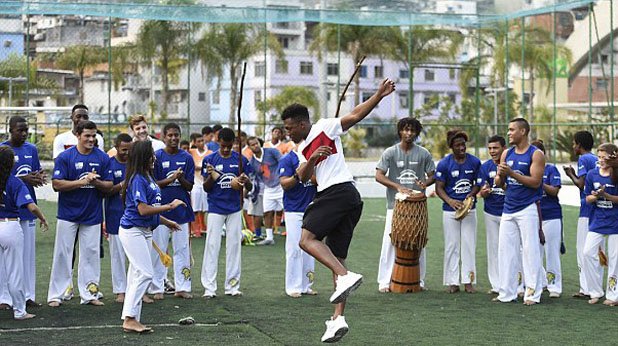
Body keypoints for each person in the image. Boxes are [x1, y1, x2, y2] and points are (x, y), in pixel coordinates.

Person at [281, 78, 395, 343]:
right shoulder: (300, 149)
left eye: (289, 128)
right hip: (346, 198)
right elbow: (308, 177)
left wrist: (378, 94)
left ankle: (345, 277)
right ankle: (337, 319)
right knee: (337, 257)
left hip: (338, 192)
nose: (287, 133)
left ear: (301, 124)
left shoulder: (324, 127)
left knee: (306, 240)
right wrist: (313, 159)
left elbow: (356, 114)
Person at [119, 140, 184, 333]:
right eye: (151, 155)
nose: (154, 158)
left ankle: (131, 318)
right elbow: (143, 209)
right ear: (143, 157)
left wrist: (166, 221)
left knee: (136, 275)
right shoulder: (138, 179)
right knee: (146, 273)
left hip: (144, 231)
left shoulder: (147, 177)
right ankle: (130, 318)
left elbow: (150, 210)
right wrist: (170, 206)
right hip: (133, 230)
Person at [47, 120, 112, 307]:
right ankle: (56, 295)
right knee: (62, 254)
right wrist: (82, 181)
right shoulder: (65, 157)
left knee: (90, 254)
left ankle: (90, 294)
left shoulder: (102, 157)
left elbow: (108, 186)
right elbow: (57, 184)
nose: (91, 139)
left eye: (94, 136)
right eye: (87, 136)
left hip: (92, 215)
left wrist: (95, 182)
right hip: (68, 214)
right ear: (78, 135)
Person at [375, 117, 435, 293]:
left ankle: (419, 280)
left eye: (412, 130)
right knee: (389, 242)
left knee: (418, 243)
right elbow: (379, 175)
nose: (409, 133)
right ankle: (384, 281)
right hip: (395, 207)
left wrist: (426, 182)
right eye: (405, 129)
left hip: (417, 208)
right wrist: (397, 186)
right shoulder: (390, 152)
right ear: (400, 131)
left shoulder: (423, 153)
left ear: (416, 133)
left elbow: (432, 174)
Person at [494, 118, 545, 305]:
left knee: (530, 252)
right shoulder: (506, 153)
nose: (508, 133)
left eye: (512, 129)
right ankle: (506, 293)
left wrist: (512, 173)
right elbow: (500, 182)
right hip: (508, 208)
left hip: (528, 208)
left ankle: (532, 294)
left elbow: (535, 182)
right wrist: (498, 178)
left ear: (523, 132)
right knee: (506, 251)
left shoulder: (536, 154)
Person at [0, 116, 47, 308]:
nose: (24, 133)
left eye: (26, 130)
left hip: (27, 209)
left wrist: (38, 178)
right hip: (7, 210)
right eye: (20, 130)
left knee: (27, 255)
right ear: (10, 130)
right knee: (6, 257)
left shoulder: (32, 149)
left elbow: (36, 173)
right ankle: (4, 297)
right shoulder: (3, 150)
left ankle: (28, 295)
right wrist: (25, 179)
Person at [201, 128, 253, 298]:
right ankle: (209, 288)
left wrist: (245, 182)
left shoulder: (241, 160)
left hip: (235, 209)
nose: (225, 149)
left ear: (234, 144)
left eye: (229, 146)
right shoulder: (210, 160)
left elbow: (250, 187)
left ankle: (232, 286)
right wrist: (210, 175)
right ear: (218, 142)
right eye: (223, 146)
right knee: (212, 246)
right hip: (216, 208)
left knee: (233, 246)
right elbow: (206, 188)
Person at [152, 123, 195, 300]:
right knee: (160, 249)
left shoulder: (187, 158)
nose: (173, 138)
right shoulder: (156, 157)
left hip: (181, 211)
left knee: (182, 250)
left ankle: (182, 287)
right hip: (161, 210)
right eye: (170, 135)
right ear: (163, 137)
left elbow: (190, 185)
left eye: (176, 135)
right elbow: (154, 184)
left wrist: (181, 178)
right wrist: (171, 179)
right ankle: (157, 288)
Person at [435, 129, 481, 294]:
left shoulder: (475, 162)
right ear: (451, 147)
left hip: (469, 210)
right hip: (450, 211)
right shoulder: (444, 164)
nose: (462, 148)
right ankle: (452, 282)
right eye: (458, 145)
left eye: (463, 144)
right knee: (452, 245)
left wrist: (471, 194)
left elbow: (478, 183)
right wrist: (450, 201)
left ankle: (468, 281)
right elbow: (438, 188)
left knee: (469, 245)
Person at [278, 142, 317, 297]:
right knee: (294, 248)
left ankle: (306, 285)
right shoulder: (287, 159)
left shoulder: (314, 159)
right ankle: (293, 286)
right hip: (294, 209)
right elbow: (285, 184)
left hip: (312, 207)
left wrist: (308, 172)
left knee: (311, 247)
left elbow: (318, 180)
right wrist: (297, 175)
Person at [563, 131, 599, 298]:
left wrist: (570, 174)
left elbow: (582, 185)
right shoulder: (594, 158)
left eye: (574, 143)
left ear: (579, 144)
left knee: (583, 249)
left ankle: (586, 288)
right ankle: (595, 286)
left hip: (587, 209)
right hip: (598, 210)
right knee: (596, 251)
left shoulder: (584, 159)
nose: (573, 146)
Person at [583, 143, 618, 306]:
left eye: (605, 157)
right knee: (587, 253)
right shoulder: (591, 174)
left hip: (615, 223)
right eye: (599, 157)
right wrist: (595, 196)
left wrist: (607, 195)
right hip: (597, 222)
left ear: (613, 157)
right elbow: (587, 199)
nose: (602, 160)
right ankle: (595, 291)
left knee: (614, 259)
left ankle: (613, 294)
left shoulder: (616, 175)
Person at [532, 140, 563, 298]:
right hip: (533, 216)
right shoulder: (527, 169)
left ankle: (554, 286)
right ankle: (540, 282)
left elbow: (554, 191)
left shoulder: (551, 169)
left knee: (552, 252)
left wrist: (540, 182)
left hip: (551, 215)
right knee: (533, 252)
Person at [104, 134, 132, 303]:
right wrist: (123, 184)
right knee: (117, 255)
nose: (127, 153)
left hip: (134, 215)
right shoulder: (109, 164)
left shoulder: (135, 165)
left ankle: (140, 290)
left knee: (137, 256)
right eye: (123, 150)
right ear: (115, 147)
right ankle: (120, 290)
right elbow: (106, 190)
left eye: (129, 150)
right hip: (115, 213)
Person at [477, 135, 507, 295]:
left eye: (495, 148)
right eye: (490, 148)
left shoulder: (510, 164)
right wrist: (484, 192)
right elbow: (482, 190)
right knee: (493, 248)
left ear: (503, 148)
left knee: (513, 248)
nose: (492, 151)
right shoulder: (485, 167)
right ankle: (497, 284)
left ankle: (518, 283)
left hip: (509, 212)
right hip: (490, 212)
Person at [247, 136, 283, 245]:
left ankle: (297, 234)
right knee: (267, 212)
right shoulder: (252, 161)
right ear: (249, 147)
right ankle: (269, 237)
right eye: (252, 144)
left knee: (288, 210)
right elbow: (253, 177)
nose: (256, 145)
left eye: (256, 143)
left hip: (280, 186)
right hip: (268, 188)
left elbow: (283, 161)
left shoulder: (272, 152)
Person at [189, 133, 211, 238]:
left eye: (202, 140)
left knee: (206, 208)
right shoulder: (192, 152)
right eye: (198, 141)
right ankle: (196, 230)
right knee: (195, 208)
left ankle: (205, 228)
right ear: (194, 142)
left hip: (206, 183)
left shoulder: (210, 153)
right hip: (196, 184)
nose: (201, 143)